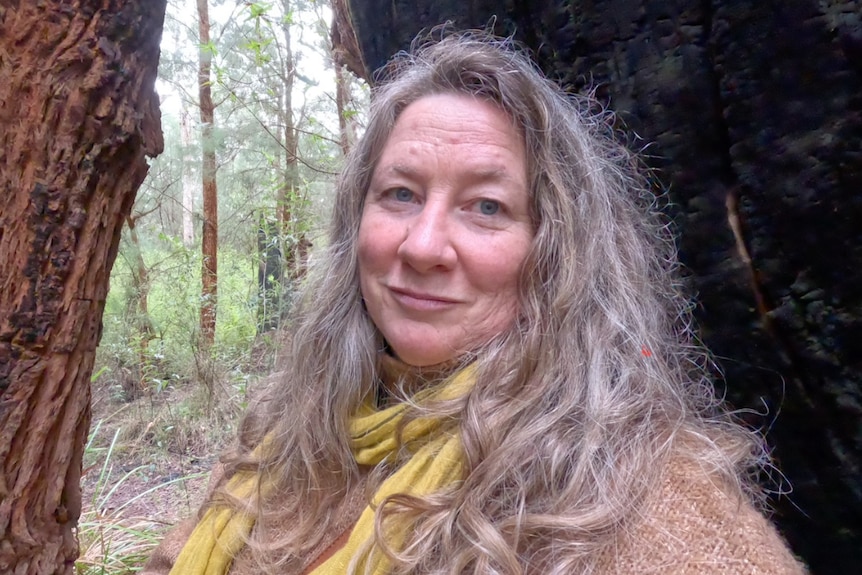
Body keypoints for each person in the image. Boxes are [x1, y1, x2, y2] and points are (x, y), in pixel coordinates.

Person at [143, 30, 806, 574]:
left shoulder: (649, 495)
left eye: (486, 206)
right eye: (400, 193)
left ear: (559, 251)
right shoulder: (292, 434)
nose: (424, 245)